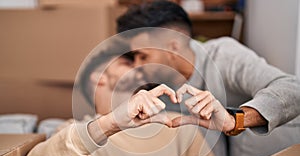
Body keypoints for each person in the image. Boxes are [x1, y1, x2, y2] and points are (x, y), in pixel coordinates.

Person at [23, 38, 233, 156]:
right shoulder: (79, 132)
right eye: (127, 62)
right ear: (99, 76)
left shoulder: (177, 124)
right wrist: (110, 124)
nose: (141, 68)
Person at [116, 0, 300, 136]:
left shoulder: (224, 55)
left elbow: (293, 89)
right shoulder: (161, 90)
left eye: (143, 56)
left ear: (173, 46)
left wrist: (235, 120)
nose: (137, 66)